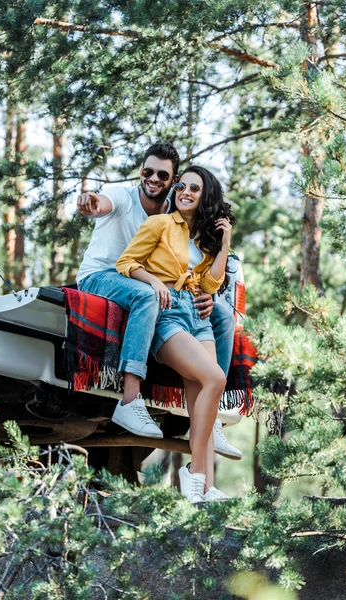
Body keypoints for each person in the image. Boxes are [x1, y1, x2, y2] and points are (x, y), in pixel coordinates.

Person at [76, 142, 239, 458]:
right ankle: (130, 400)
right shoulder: (123, 195)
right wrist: (91, 202)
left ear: (173, 180)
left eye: (162, 175)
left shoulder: (173, 213)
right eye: (147, 171)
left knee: (222, 316)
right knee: (147, 294)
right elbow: (102, 203)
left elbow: (190, 265)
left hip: (150, 285)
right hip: (103, 276)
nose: (152, 178)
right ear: (140, 171)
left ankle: (209, 417)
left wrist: (206, 294)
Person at [116, 165, 234, 502]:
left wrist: (224, 244)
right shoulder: (160, 224)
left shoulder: (203, 239)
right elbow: (126, 263)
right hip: (169, 312)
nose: (184, 192)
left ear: (205, 196)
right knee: (215, 379)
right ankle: (193, 473)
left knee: (202, 404)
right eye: (181, 186)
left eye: (194, 189)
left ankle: (206, 488)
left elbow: (211, 283)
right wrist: (154, 282)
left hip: (198, 314)